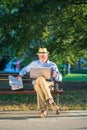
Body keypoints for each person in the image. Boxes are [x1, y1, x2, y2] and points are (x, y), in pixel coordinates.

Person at [17, 48, 62, 118]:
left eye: (43, 55)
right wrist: (20, 75)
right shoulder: (34, 63)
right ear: (38, 56)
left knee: (40, 86)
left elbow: (60, 78)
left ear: (47, 55)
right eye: (40, 55)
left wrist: (56, 75)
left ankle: (43, 110)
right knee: (40, 79)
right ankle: (51, 101)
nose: (42, 56)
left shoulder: (53, 65)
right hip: (36, 83)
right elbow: (25, 69)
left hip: (49, 85)